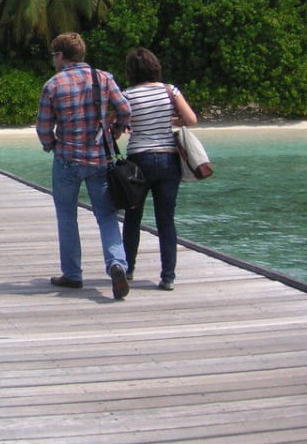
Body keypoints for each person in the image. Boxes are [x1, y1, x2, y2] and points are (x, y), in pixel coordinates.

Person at [36, 32, 132, 300]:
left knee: (67, 217)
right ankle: (116, 264)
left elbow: (44, 128)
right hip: (98, 158)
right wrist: (114, 132)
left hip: (67, 159)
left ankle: (72, 274)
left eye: (53, 55)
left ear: (60, 56)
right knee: (106, 216)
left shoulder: (53, 85)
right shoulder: (103, 78)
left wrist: (52, 145)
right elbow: (125, 108)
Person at [120, 47, 198, 291]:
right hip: (167, 160)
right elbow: (191, 120)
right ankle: (168, 276)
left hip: (138, 160)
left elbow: (120, 125)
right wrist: (169, 120)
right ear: (155, 66)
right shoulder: (169, 90)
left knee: (133, 218)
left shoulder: (127, 95)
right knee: (166, 220)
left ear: (131, 71)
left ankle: (128, 269)